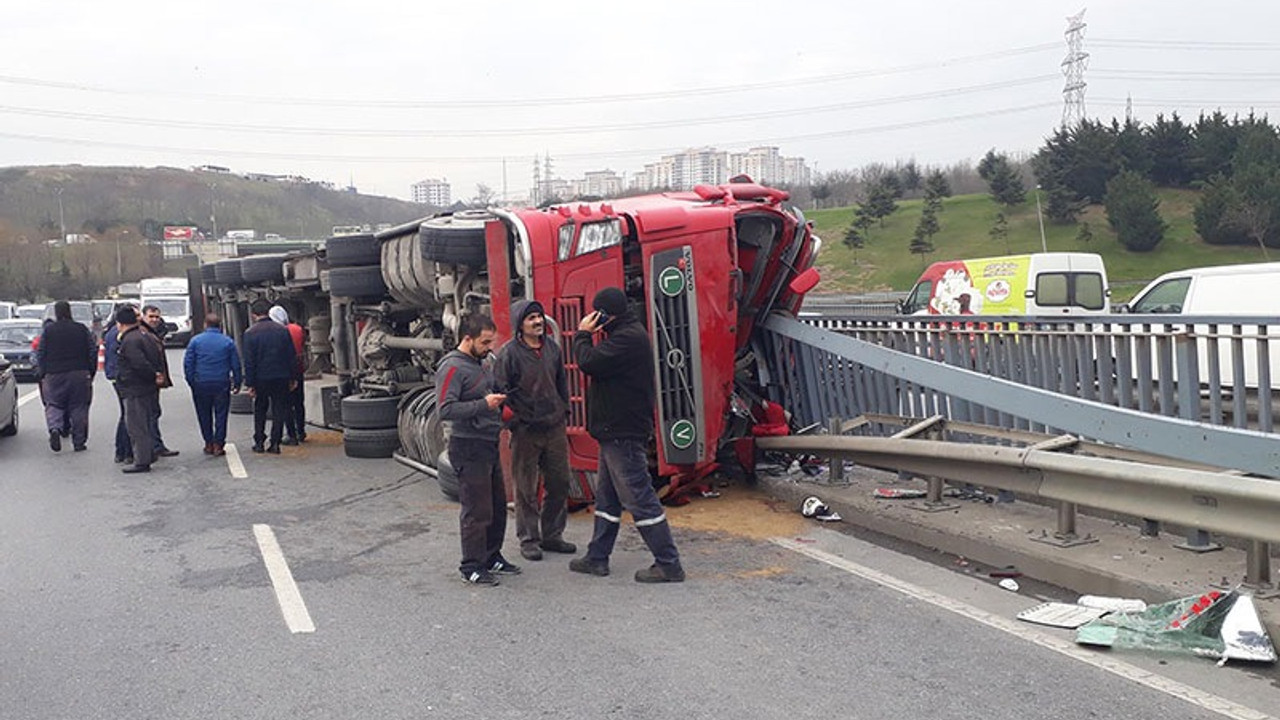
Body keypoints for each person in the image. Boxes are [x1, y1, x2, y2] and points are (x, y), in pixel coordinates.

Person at [569, 287, 684, 583]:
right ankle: (597, 557)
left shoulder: (627, 339)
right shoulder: (626, 334)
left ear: (606, 315)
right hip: (614, 431)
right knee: (607, 499)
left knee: (639, 496)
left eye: (598, 314)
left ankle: (668, 563)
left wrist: (582, 334)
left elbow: (588, 362)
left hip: (622, 431)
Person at [436, 314, 519, 586]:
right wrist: (485, 405)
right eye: (484, 342)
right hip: (467, 445)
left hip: (488, 441)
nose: (489, 347)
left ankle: (492, 556)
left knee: (495, 505)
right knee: (476, 509)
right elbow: (445, 410)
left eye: (491, 342)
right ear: (467, 338)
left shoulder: (483, 363)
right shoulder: (451, 367)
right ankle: (471, 565)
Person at [494, 300, 576, 562]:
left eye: (539, 317)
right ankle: (528, 539)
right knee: (525, 489)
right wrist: (514, 422)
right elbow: (499, 392)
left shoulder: (552, 348)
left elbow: (562, 382)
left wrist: (564, 412)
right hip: (525, 432)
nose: (538, 322)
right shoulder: (509, 354)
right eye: (531, 318)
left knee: (560, 482)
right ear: (520, 324)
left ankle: (552, 535)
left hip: (554, 428)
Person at [34, 300, 97, 452]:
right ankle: (79, 442)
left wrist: (42, 373)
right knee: (79, 406)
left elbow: (40, 353)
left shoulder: (49, 331)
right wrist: (90, 371)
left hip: (54, 373)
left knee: (54, 404)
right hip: (79, 372)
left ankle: (55, 428)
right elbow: (92, 351)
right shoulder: (81, 329)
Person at [114, 306, 165, 473]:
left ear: (120, 323)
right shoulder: (145, 336)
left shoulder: (130, 340)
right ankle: (148, 453)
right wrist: (155, 375)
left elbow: (138, 363)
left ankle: (142, 460)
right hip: (146, 387)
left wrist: (151, 375)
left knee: (136, 425)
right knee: (145, 422)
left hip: (135, 388)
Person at [183, 312, 242, 456]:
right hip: (221, 382)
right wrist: (238, 382)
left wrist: (192, 381)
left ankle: (208, 443)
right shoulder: (227, 341)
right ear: (220, 325)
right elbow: (236, 365)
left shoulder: (195, 341)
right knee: (221, 414)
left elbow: (188, 364)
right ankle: (218, 444)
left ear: (205, 325)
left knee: (204, 414)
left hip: (201, 383)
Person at [242, 299, 296, 454]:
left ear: (253, 315)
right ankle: (275, 443)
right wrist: (292, 378)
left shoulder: (250, 333)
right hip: (281, 376)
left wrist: (250, 383)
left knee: (260, 409)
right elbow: (290, 356)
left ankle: (259, 441)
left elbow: (249, 361)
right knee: (279, 408)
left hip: (260, 378)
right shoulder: (282, 330)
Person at [141, 305, 179, 458]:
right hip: (147, 381)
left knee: (153, 412)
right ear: (143, 316)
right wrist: (155, 374)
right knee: (149, 414)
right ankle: (153, 446)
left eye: (157, 316)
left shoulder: (153, 332)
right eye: (151, 316)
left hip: (152, 381)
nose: (154, 320)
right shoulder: (143, 334)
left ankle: (153, 445)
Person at [103, 303, 137, 463]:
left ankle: (121, 451)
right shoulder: (121, 334)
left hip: (115, 376)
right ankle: (125, 450)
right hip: (123, 377)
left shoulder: (111, 333)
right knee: (128, 414)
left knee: (125, 413)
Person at [269, 305, 307, 445]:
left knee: (285, 404)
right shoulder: (297, 329)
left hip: (283, 371)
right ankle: (301, 431)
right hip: (298, 369)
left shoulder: (276, 332)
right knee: (299, 403)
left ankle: (291, 433)